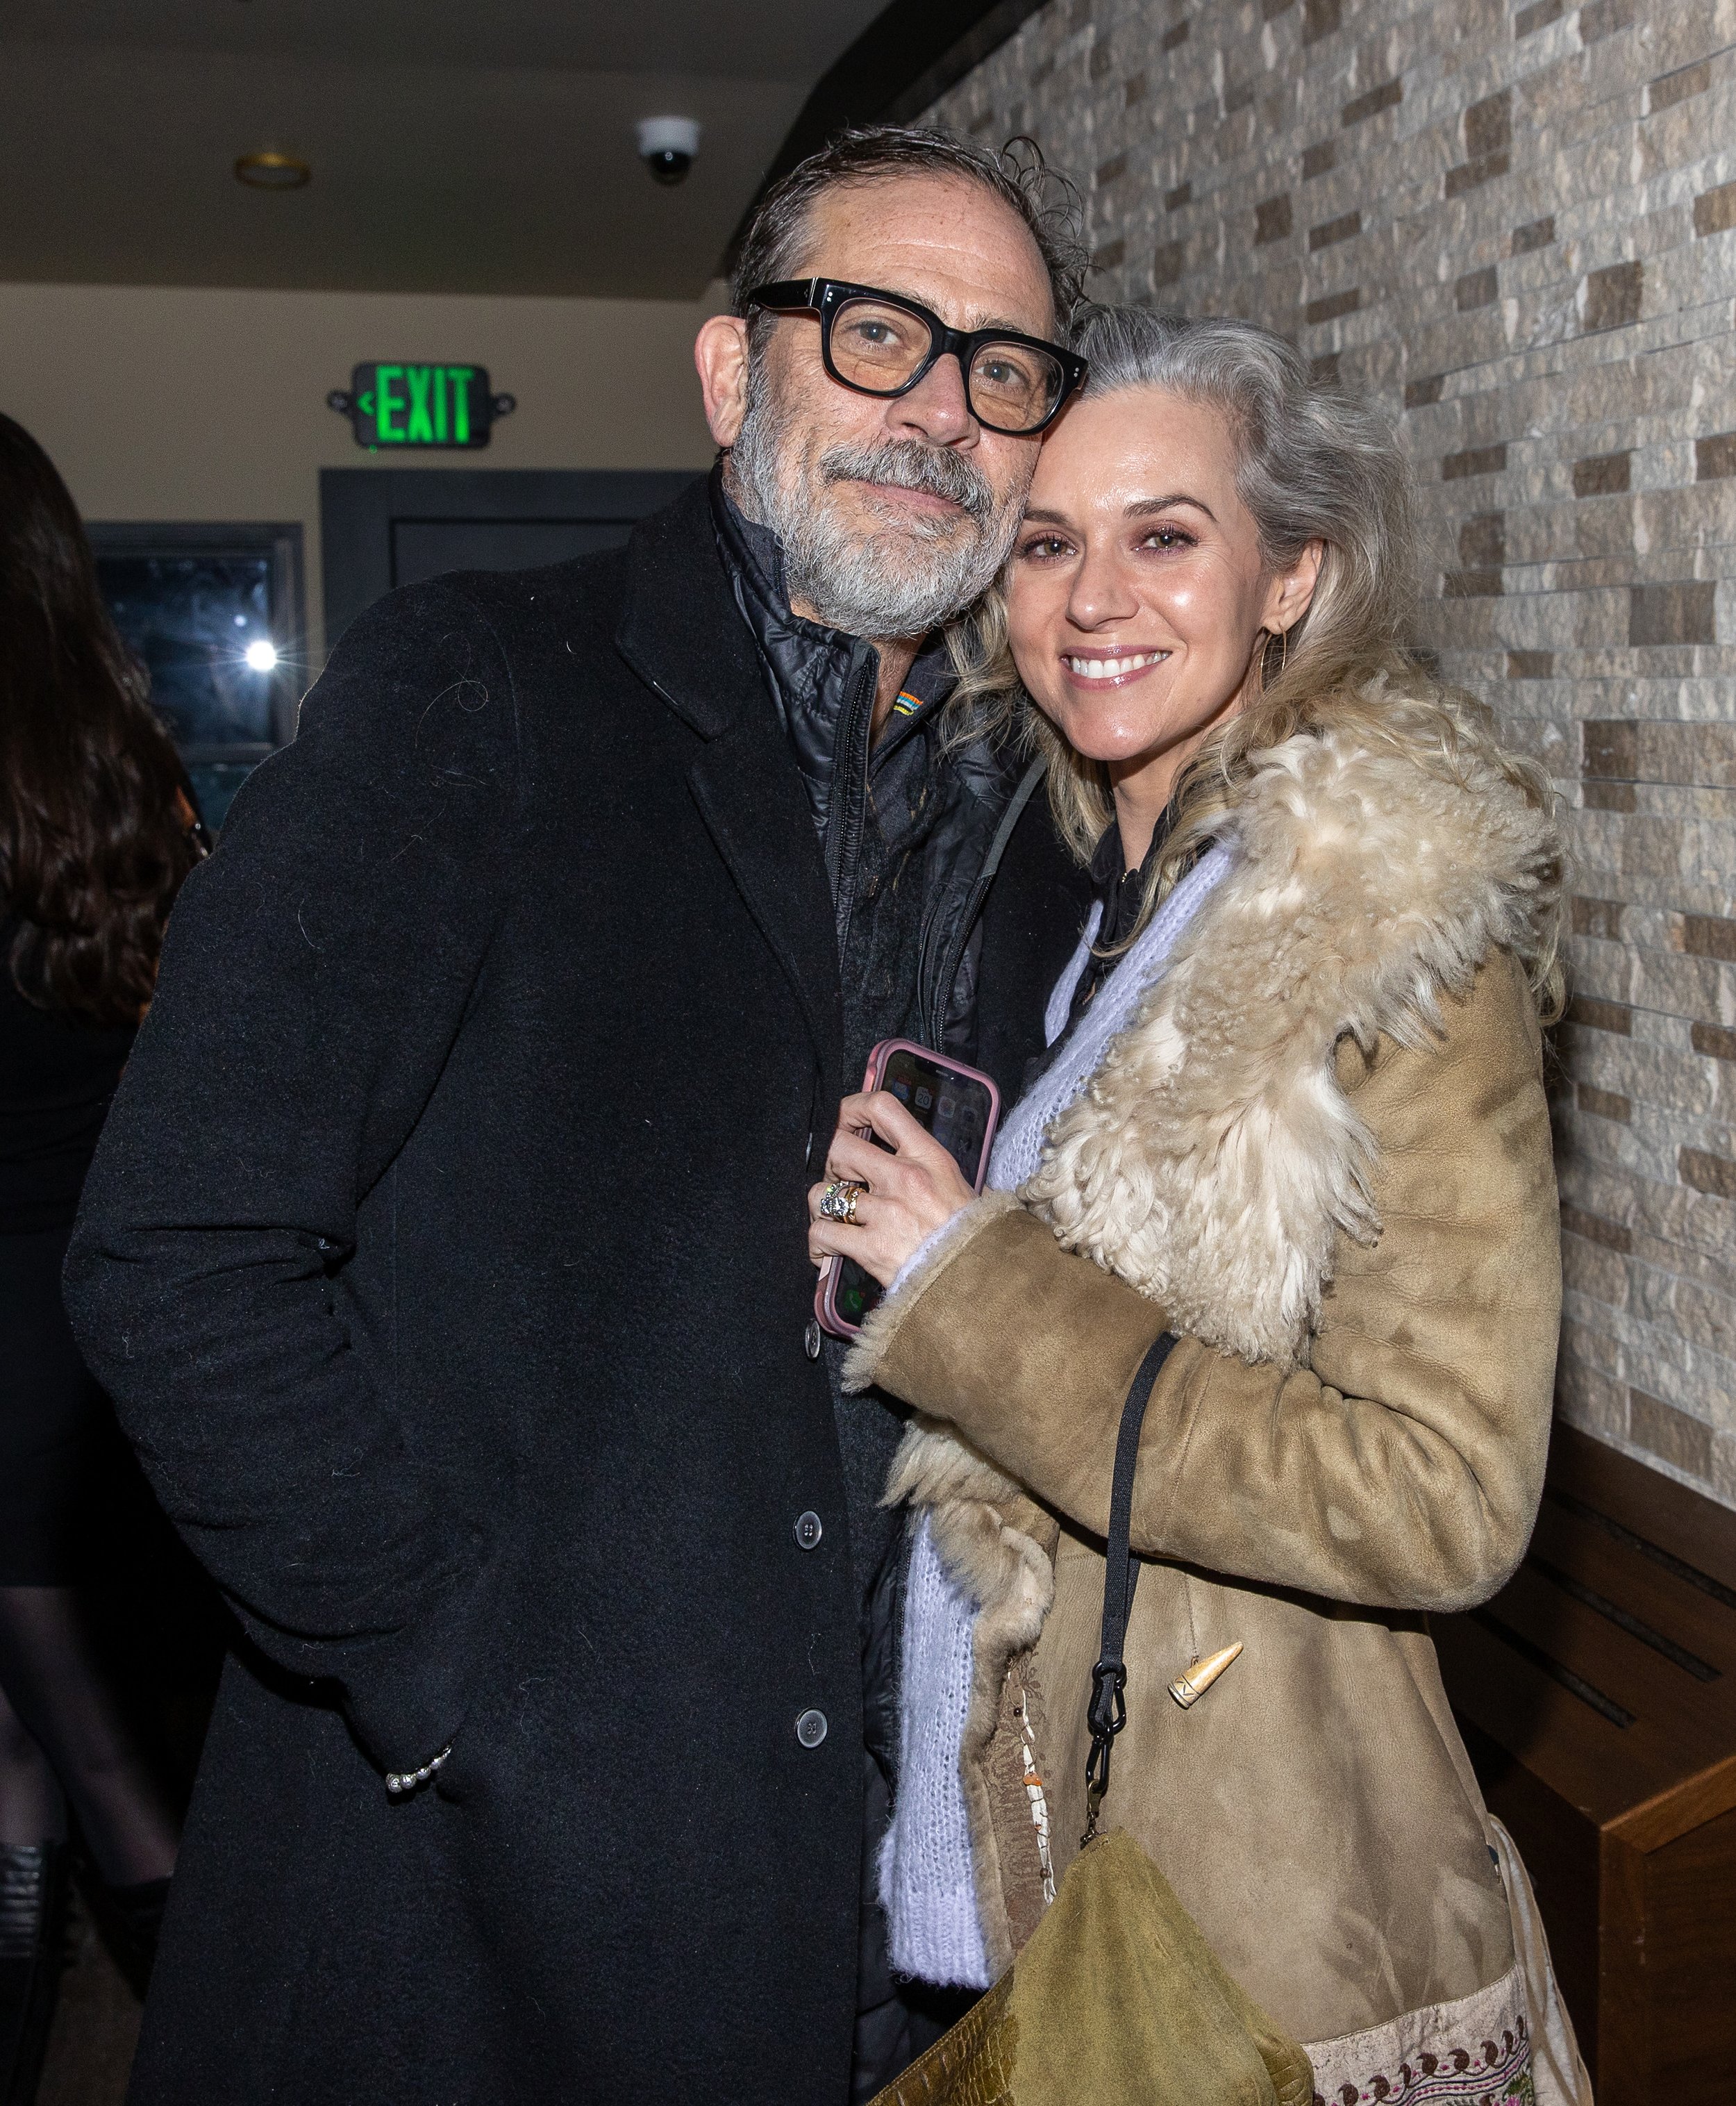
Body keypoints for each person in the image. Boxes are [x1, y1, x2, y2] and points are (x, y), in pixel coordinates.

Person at [63, 128, 1094, 2103]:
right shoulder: (487, 687)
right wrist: (450, 1678)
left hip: (858, 1905)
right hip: (480, 1897)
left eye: (1001, 369)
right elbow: (181, 1250)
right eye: (875, 333)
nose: (939, 411)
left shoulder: (1020, 813)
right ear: (732, 375)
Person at [810, 309, 1594, 2104]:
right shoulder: (1001, 870)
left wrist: (973, 1297)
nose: (1094, 598)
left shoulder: (1390, 933)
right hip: (960, 1808)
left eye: (1165, 536)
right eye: (1044, 542)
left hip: (1229, 1872)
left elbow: (1443, 1496)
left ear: (1291, 578)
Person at [0, 414, 202, 2100]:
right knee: (77, 1750)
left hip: (23, 1379)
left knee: (81, 1766)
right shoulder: (133, 774)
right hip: (99, 1352)